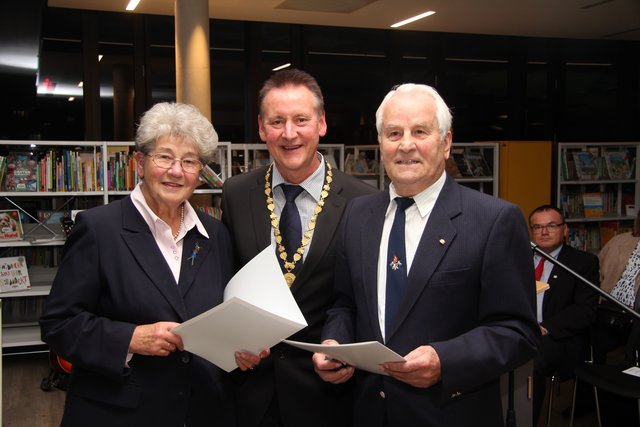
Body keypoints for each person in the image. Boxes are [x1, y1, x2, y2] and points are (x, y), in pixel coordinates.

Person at [312, 83, 540, 426]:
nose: (406, 144)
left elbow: (518, 331)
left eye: (420, 131)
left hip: (449, 413)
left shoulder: (494, 220)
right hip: (369, 412)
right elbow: (345, 304)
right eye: (393, 133)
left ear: (446, 143)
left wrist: (444, 360)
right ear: (381, 144)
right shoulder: (357, 215)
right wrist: (334, 343)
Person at [39, 102, 235, 427]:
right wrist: (130, 338)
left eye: (189, 161)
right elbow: (58, 325)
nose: (176, 171)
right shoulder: (99, 229)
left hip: (200, 409)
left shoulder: (215, 235)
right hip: (119, 414)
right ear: (140, 163)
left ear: (200, 174)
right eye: (165, 157)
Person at [220, 68, 378, 427]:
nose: (289, 133)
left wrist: (344, 348)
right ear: (262, 129)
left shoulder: (364, 200)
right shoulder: (236, 192)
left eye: (301, 120)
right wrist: (232, 339)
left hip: (328, 392)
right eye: (277, 121)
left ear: (321, 124)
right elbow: (229, 280)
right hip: (252, 390)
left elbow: (361, 297)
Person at [528, 204, 599, 424]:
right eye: (537, 227)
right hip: (519, 329)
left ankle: (524, 420)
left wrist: (544, 327)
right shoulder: (518, 258)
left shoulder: (583, 263)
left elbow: (585, 310)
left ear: (565, 230)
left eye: (551, 225)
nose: (544, 232)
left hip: (555, 336)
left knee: (530, 365)